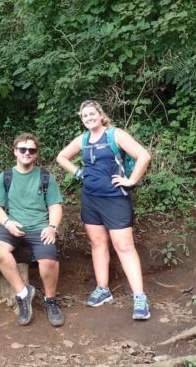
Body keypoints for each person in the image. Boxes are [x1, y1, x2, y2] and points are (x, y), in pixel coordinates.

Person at [56, 100, 152, 320]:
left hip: (115, 198)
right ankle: (103, 289)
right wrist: (79, 173)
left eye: (91, 114)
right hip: (90, 198)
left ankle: (139, 297)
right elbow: (61, 157)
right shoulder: (83, 139)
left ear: (100, 115)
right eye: (84, 116)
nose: (88, 118)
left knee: (124, 245)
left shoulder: (115, 134)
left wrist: (131, 181)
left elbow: (143, 155)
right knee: (97, 243)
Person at [0, 133, 64, 327]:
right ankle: (23, 293)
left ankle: (50, 300)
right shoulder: (5, 177)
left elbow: (55, 206)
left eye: (31, 150)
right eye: (22, 149)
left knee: (48, 260)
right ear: (15, 151)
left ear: (36, 154)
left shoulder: (45, 176)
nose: (27, 153)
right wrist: (7, 223)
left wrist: (52, 227)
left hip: (39, 227)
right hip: (12, 226)